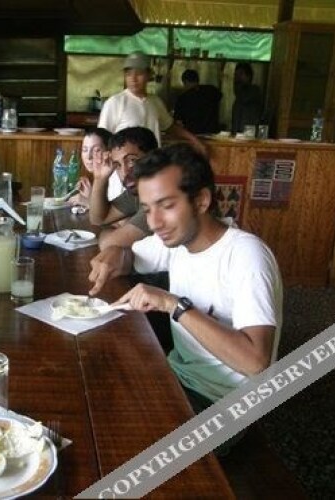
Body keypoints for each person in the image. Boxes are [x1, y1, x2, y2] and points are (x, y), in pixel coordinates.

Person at [89, 143, 283, 415]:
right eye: (147, 210)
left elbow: (256, 363)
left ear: (201, 201)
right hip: (177, 376)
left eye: (166, 205)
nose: (154, 223)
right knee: (92, 377)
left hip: (223, 404)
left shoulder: (246, 255)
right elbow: (131, 256)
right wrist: (116, 253)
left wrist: (173, 304)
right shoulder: (178, 240)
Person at [98, 51, 206, 155]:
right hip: (128, 166)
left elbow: (170, 126)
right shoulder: (115, 103)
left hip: (153, 163)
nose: (133, 79)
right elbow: (101, 138)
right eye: (129, 74)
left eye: (139, 74)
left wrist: (195, 140)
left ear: (149, 75)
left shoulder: (155, 102)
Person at [88, 127, 159, 249]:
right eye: (117, 165)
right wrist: (100, 178)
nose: (124, 172)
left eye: (132, 161)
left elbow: (108, 244)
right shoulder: (138, 191)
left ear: (153, 158)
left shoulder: (157, 195)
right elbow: (98, 219)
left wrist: (109, 232)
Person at [67, 127, 112, 207]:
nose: (89, 157)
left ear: (109, 152)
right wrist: (91, 195)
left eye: (96, 150)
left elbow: (121, 214)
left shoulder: (118, 178)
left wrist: (88, 202)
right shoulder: (99, 177)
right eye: (85, 150)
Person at [173, 69, 222, 134]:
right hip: (212, 133)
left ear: (186, 82)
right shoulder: (212, 91)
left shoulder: (183, 99)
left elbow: (178, 121)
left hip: (193, 134)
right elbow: (220, 96)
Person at [232, 62, 263, 135]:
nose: (237, 78)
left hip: (248, 133)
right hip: (238, 133)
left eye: (241, 74)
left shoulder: (254, 91)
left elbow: (244, 98)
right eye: (236, 75)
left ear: (248, 76)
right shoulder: (238, 98)